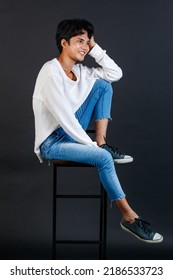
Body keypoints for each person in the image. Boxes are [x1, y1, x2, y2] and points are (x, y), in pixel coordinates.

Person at [32, 18, 163, 243]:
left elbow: (115, 74)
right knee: (103, 158)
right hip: (53, 142)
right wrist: (91, 147)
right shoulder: (50, 72)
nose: (85, 46)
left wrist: (96, 49)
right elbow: (66, 119)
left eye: (88, 42)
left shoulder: (82, 72)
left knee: (104, 85)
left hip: (71, 131)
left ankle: (103, 143)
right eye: (79, 41)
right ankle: (129, 217)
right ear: (64, 43)